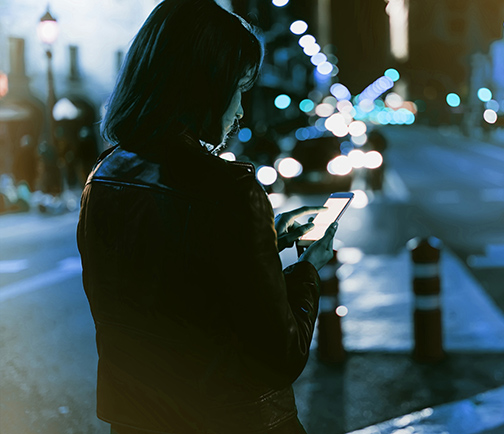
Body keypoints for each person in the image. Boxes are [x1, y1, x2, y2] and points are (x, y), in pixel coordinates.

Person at [76, 1, 336, 433]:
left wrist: (264, 241)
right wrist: (309, 268)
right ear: (205, 87)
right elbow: (281, 355)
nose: (239, 112)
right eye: (237, 89)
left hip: (136, 419)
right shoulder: (229, 189)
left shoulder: (102, 176)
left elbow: (171, 282)